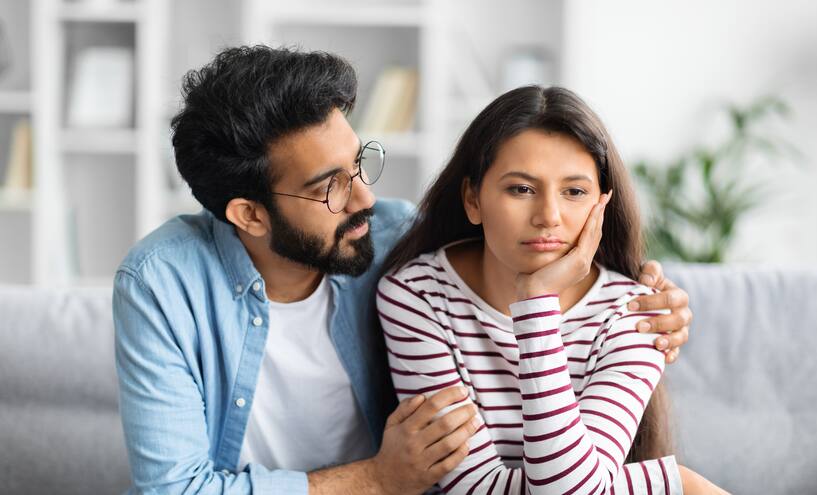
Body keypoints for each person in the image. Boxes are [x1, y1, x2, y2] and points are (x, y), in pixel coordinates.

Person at [113, 46, 694, 495]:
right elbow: (174, 488)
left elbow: (530, 249)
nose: (366, 199)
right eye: (329, 188)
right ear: (250, 214)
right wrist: (377, 480)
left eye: (358, 163)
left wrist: (656, 300)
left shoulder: (392, 238)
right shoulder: (161, 285)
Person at [378, 86, 727, 494]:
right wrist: (674, 485)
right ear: (473, 199)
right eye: (521, 189)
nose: (548, 216)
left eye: (574, 192)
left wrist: (535, 302)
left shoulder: (637, 314)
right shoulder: (417, 295)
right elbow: (474, 488)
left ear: (602, 204)